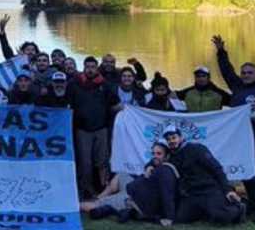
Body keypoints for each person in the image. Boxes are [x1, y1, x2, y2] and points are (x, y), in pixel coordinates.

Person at [213, 35, 255, 223]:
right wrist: (221, 51)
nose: (245, 75)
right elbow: (227, 71)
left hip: (253, 138)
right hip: (236, 139)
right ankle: (249, 205)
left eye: (249, 72)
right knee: (240, 170)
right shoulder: (237, 87)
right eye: (243, 72)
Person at [165, 126, 245, 225]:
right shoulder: (171, 157)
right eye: (168, 139)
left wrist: (228, 190)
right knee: (180, 219)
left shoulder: (197, 149)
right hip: (192, 194)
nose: (171, 141)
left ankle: (239, 208)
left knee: (221, 217)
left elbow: (217, 169)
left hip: (210, 190)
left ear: (181, 137)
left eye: (174, 137)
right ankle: (206, 211)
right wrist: (149, 166)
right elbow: (157, 159)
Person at [71, 56, 119, 200]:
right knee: (85, 162)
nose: (90, 70)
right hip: (82, 129)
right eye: (88, 67)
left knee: (102, 161)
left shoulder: (105, 85)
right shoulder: (74, 84)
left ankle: (104, 188)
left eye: (93, 67)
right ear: (84, 67)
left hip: (101, 128)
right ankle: (86, 190)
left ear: (97, 68)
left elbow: (116, 105)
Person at [124, 142, 179, 226]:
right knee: (121, 176)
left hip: (135, 202)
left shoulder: (166, 172)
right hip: (132, 193)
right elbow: (152, 162)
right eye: (153, 153)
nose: (155, 156)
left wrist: (169, 217)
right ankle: (101, 196)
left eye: (159, 153)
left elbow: (167, 194)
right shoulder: (157, 166)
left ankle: (99, 201)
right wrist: (149, 167)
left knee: (103, 203)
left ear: (167, 156)